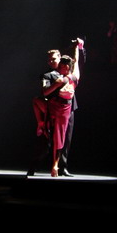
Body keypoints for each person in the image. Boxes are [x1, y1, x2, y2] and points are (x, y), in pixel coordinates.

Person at [29, 39, 85, 177]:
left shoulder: (69, 72)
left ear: (60, 58)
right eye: (49, 60)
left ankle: (62, 167)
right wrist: (57, 84)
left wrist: (78, 47)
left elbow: (77, 62)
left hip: (69, 108)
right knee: (48, 140)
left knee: (66, 139)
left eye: (53, 59)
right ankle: (35, 165)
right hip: (53, 110)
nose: (51, 62)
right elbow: (44, 92)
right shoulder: (48, 75)